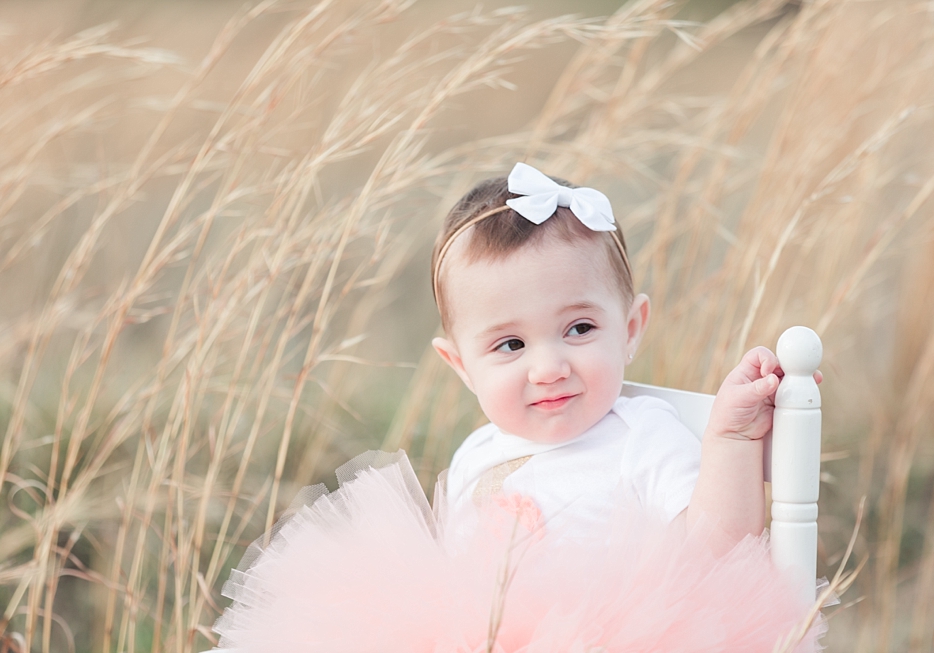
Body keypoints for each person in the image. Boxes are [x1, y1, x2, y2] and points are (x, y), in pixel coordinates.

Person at [212, 163, 818, 652]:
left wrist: (732, 442)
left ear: (630, 328)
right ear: (460, 367)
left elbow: (714, 549)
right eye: (510, 345)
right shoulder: (477, 455)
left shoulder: (642, 438)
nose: (548, 365)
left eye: (579, 328)